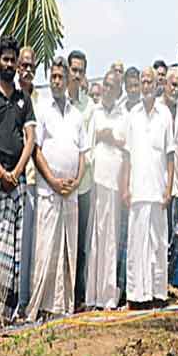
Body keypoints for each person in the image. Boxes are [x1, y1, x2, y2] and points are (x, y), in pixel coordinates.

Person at [26, 57, 88, 321]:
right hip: (48, 190)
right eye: (52, 77)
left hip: (70, 192)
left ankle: (63, 306)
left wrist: (75, 180)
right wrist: (52, 179)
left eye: (60, 77)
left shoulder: (76, 114)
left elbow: (83, 153)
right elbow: (36, 150)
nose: (56, 82)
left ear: (67, 79)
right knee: (45, 248)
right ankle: (39, 307)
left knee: (68, 249)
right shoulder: (41, 109)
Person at [0, 36, 36, 323]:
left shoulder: (23, 99)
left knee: (15, 247)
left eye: (12, 60)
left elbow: (30, 140)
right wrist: (1, 172)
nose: (9, 64)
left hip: (18, 183)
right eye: (5, 59)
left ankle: (9, 311)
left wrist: (16, 172)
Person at [122, 67, 175, 308]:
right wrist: (125, 187)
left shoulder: (165, 115)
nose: (146, 86)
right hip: (137, 191)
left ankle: (157, 293)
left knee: (158, 244)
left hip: (158, 190)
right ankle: (137, 295)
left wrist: (169, 189)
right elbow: (126, 156)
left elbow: (171, 156)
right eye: (142, 82)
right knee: (136, 245)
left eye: (149, 82)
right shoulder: (132, 115)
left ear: (156, 85)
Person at [85, 70, 128, 310]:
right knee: (96, 238)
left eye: (113, 87)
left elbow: (123, 143)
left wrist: (108, 136)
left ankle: (109, 296)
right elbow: (89, 142)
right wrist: (103, 136)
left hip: (114, 182)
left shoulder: (124, 115)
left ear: (119, 91)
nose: (108, 90)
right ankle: (93, 295)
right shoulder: (95, 112)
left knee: (111, 239)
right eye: (106, 85)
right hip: (96, 181)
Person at [66, 50, 95, 312]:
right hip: (60, 188)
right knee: (62, 242)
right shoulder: (57, 102)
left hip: (83, 186)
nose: (76, 75)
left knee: (81, 246)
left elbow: (91, 148)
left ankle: (78, 296)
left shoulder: (90, 107)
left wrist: (77, 177)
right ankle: (61, 295)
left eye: (80, 71)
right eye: (73, 69)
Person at [17, 46, 40, 315]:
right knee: (19, 247)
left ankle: (31, 300)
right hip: (15, 181)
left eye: (30, 65)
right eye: (23, 65)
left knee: (34, 247)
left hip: (39, 182)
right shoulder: (12, 96)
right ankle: (20, 303)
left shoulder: (40, 99)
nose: (26, 70)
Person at [159, 68, 178, 290]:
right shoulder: (157, 110)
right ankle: (157, 279)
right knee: (160, 233)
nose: (175, 89)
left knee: (176, 233)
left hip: (177, 181)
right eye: (172, 84)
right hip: (158, 183)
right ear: (165, 85)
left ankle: (168, 280)